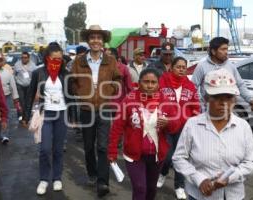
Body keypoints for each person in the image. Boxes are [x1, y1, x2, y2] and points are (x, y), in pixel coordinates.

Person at [173, 68, 253, 200]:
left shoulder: (243, 127)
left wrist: (230, 177)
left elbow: (251, 163)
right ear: (206, 98)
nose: (223, 103)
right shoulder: (192, 125)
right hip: (199, 195)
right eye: (217, 97)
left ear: (235, 100)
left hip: (233, 195)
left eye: (228, 97)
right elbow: (179, 158)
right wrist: (199, 179)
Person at [108, 68, 181, 200]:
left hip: (157, 156)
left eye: (153, 82)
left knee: (151, 189)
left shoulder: (166, 101)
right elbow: (117, 126)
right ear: (139, 83)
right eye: (146, 81)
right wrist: (112, 150)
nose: (149, 85)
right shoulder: (129, 100)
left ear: (159, 84)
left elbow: (175, 125)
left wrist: (168, 123)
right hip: (134, 155)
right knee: (140, 188)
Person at [71, 24, 121, 197]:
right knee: (88, 146)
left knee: (103, 146)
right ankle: (92, 173)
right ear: (88, 40)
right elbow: (72, 82)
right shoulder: (79, 61)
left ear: (103, 41)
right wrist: (81, 93)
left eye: (99, 38)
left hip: (104, 109)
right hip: (86, 109)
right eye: (92, 37)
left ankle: (102, 182)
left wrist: (109, 91)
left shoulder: (111, 60)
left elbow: (117, 80)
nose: (95, 41)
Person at [23, 42, 74, 195]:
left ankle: (57, 178)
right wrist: (25, 115)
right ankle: (44, 179)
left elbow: (72, 96)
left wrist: (74, 116)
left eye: (59, 59)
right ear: (47, 58)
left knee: (58, 149)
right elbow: (30, 94)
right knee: (45, 149)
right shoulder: (38, 73)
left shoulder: (65, 74)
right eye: (53, 58)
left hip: (62, 113)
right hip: (46, 114)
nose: (56, 61)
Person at [157, 57, 200, 199]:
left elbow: (195, 106)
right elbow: (155, 100)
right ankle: (163, 173)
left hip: (184, 127)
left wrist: (193, 120)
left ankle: (179, 186)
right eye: (178, 66)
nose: (181, 69)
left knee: (182, 158)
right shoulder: (162, 81)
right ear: (172, 68)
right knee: (167, 157)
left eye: (184, 67)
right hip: (165, 126)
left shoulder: (190, 85)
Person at [191, 37, 253, 111]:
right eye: (223, 49)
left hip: (227, 110)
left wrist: (250, 99)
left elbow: (240, 84)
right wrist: (200, 104)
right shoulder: (202, 66)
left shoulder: (230, 66)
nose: (226, 52)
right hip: (208, 111)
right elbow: (193, 87)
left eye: (227, 49)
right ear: (213, 51)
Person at [0, 52, 20, 144]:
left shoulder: (8, 73)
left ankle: (4, 135)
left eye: (0, 61)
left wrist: (16, 99)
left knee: (5, 116)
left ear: (2, 62)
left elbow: (13, 86)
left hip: (6, 97)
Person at [14, 52, 37, 121]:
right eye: (22, 57)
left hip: (29, 86)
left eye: (25, 57)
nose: (23, 59)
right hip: (20, 85)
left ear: (28, 58)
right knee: (21, 101)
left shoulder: (33, 65)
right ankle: (22, 115)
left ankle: (27, 115)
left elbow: (35, 76)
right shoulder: (17, 64)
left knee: (28, 101)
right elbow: (14, 74)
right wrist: (16, 82)